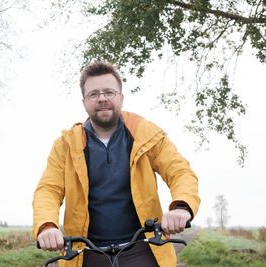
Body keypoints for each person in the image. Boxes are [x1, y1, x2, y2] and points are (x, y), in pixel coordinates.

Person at [33, 62, 200, 267]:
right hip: (86, 251)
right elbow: (48, 189)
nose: (102, 98)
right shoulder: (66, 145)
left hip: (142, 246)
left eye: (109, 92)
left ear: (121, 97)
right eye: (94, 94)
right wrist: (47, 226)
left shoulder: (146, 134)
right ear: (85, 102)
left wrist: (181, 207)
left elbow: (180, 171)